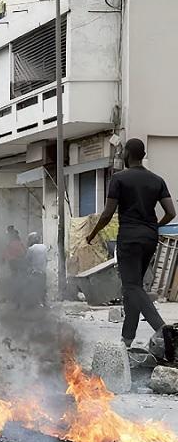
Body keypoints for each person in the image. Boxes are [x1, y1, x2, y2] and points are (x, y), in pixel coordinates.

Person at [87, 138, 176, 347]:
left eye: (123, 152)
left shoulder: (119, 178)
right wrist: (155, 227)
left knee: (132, 286)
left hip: (129, 237)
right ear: (143, 155)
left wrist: (92, 234)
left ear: (127, 153)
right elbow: (171, 212)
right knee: (131, 289)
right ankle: (127, 339)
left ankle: (163, 330)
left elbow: (108, 213)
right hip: (150, 238)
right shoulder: (157, 180)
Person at [25, 232, 48, 307]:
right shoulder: (44, 247)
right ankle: (43, 302)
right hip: (43, 272)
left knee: (34, 288)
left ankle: (36, 303)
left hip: (34, 272)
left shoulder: (31, 249)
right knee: (42, 288)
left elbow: (27, 261)